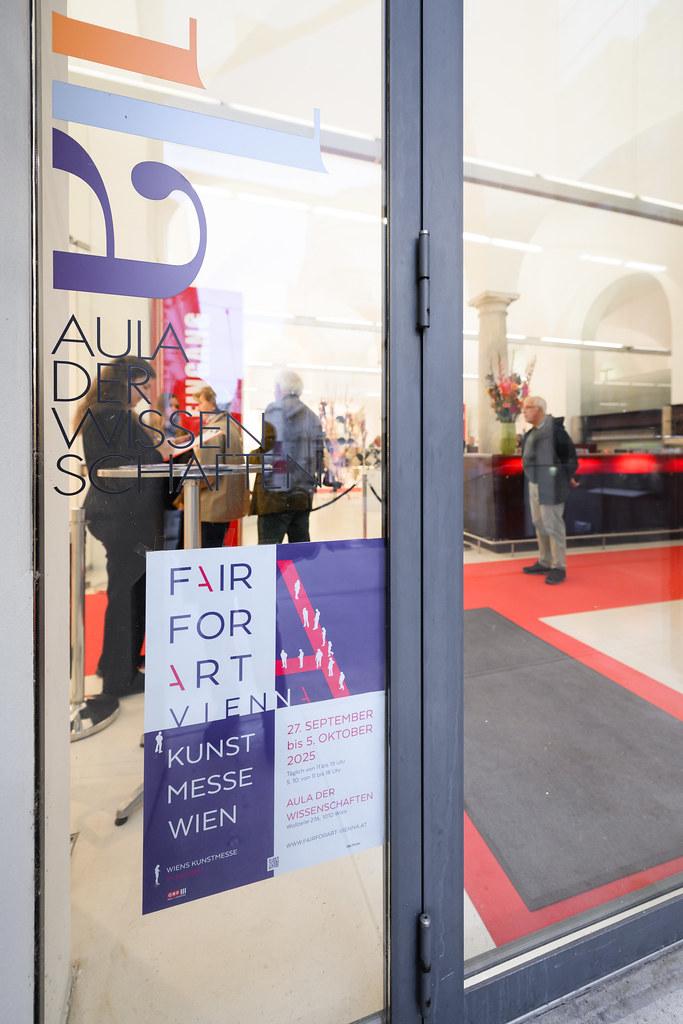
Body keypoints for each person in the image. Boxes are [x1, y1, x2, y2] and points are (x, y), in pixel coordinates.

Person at [80, 355, 167, 704]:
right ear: (125, 381)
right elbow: (130, 465)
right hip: (123, 517)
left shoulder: (105, 414)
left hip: (117, 515)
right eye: (142, 386)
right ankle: (120, 676)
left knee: (127, 592)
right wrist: (161, 453)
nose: (145, 394)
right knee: (128, 595)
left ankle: (117, 665)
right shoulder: (111, 416)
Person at [250, 369, 325, 544]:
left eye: (275, 387)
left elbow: (270, 452)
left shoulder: (275, 410)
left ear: (281, 388)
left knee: (269, 551)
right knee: (299, 552)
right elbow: (318, 457)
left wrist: (251, 457)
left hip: (275, 498)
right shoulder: (312, 417)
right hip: (301, 497)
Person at [521, 395, 578, 585]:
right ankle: (545, 561)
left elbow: (570, 457)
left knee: (553, 525)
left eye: (528, 407)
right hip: (535, 483)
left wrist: (565, 476)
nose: (524, 411)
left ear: (539, 410)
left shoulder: (555, 431)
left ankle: (558, 567)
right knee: (539, 523)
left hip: (551, 484)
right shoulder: (532, 432)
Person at [189, 385, 248, 548]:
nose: (198, 408)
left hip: (212, 505)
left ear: (212, 403)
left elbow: (208, 474)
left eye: (201, 403)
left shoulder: (213, 431)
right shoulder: (231, 426)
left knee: (208, 550)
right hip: (225, 503)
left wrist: (188, 486)